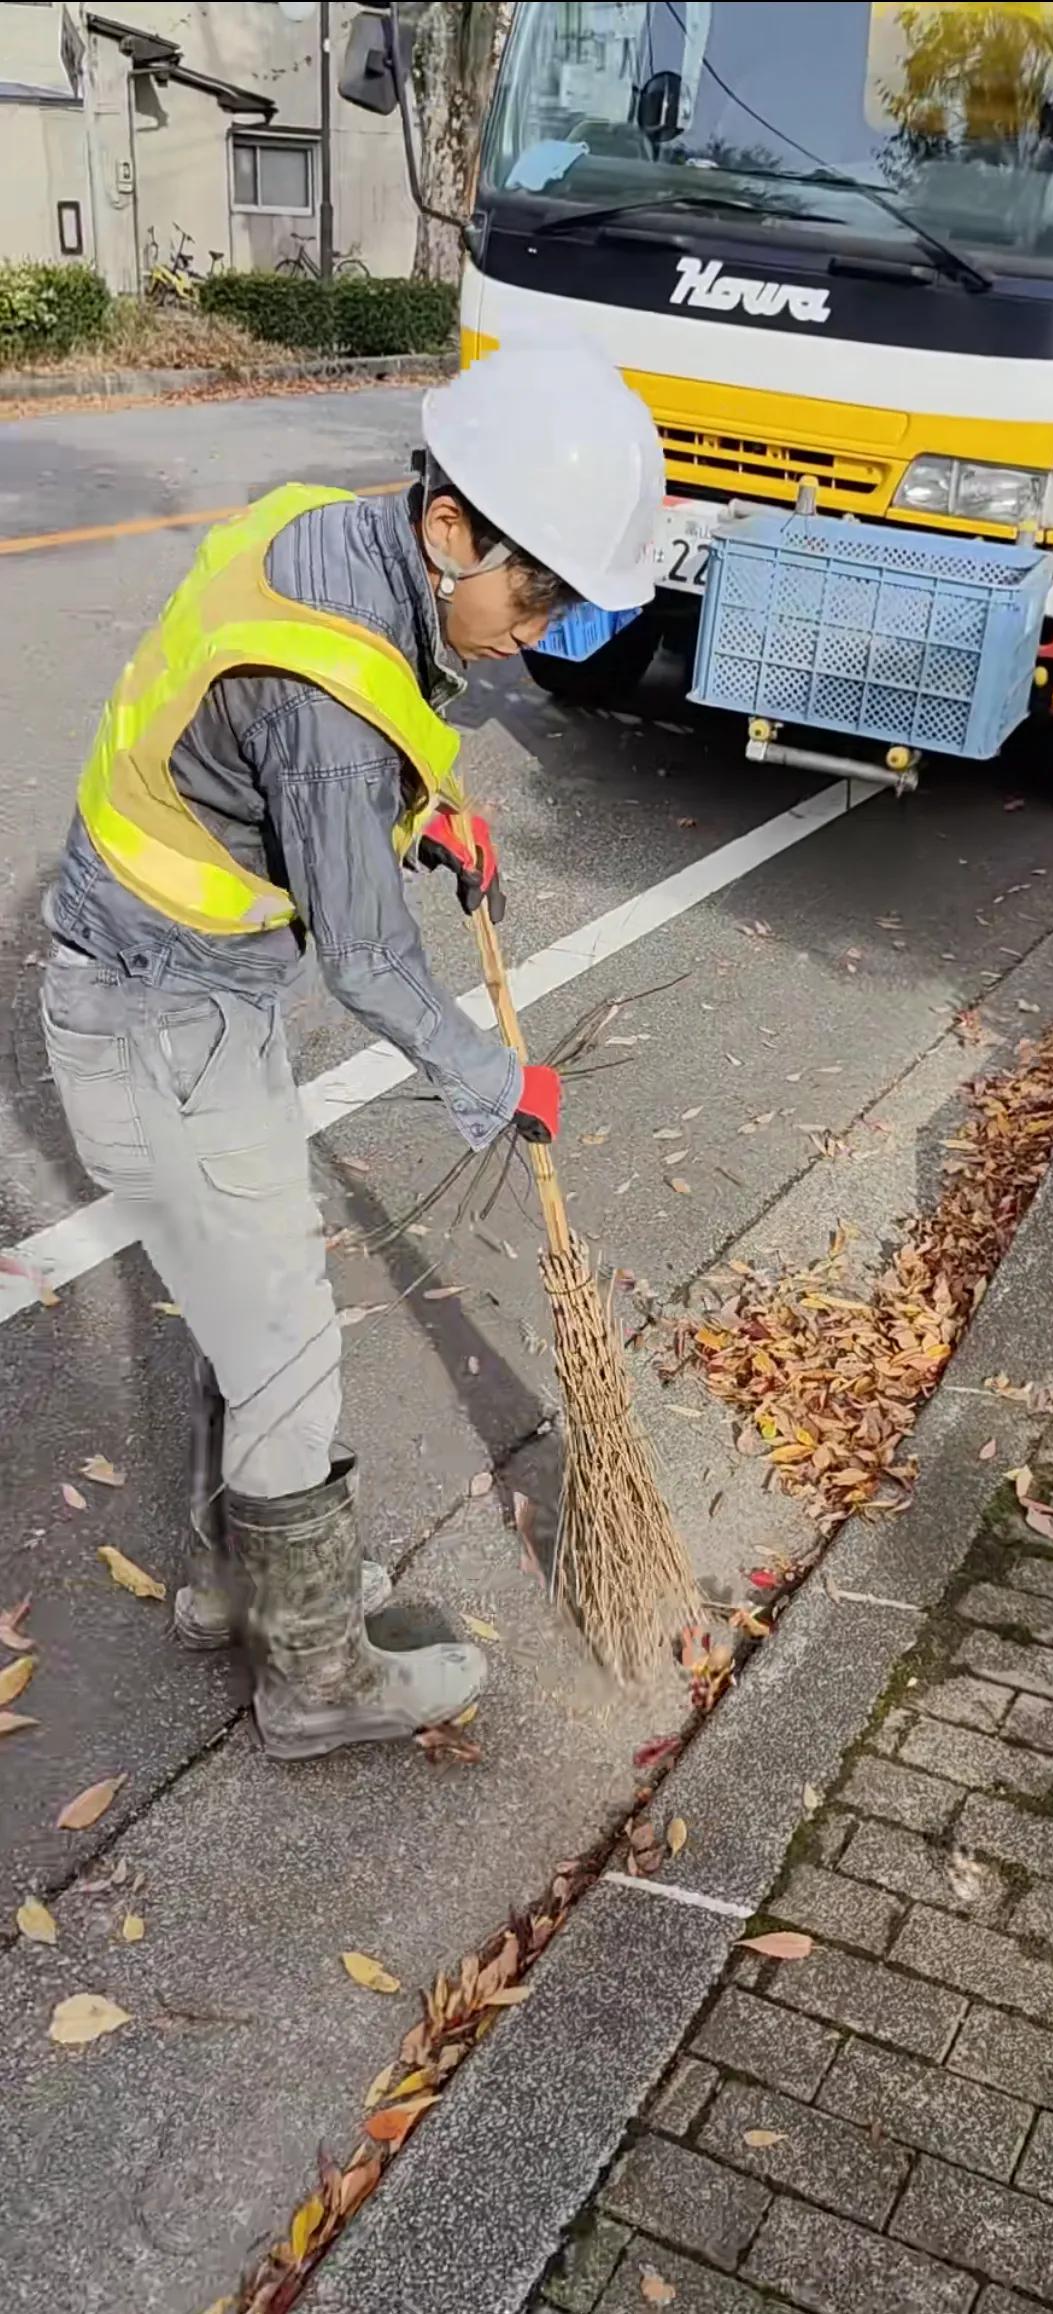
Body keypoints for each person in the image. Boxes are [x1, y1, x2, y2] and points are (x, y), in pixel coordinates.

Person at [41, 340, 665, 1761]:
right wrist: (495, 1077)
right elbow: (373, 959)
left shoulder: (327, 533)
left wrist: (420, 812)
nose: (542, 629)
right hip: (160, 1019)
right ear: (450, 527)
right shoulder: (329, 699)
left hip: (162, 993)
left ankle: (240, 1584)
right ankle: (315, 1677)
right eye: (537, 591)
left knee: (243, 1304)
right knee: (287, 1350)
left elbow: (283, 772)